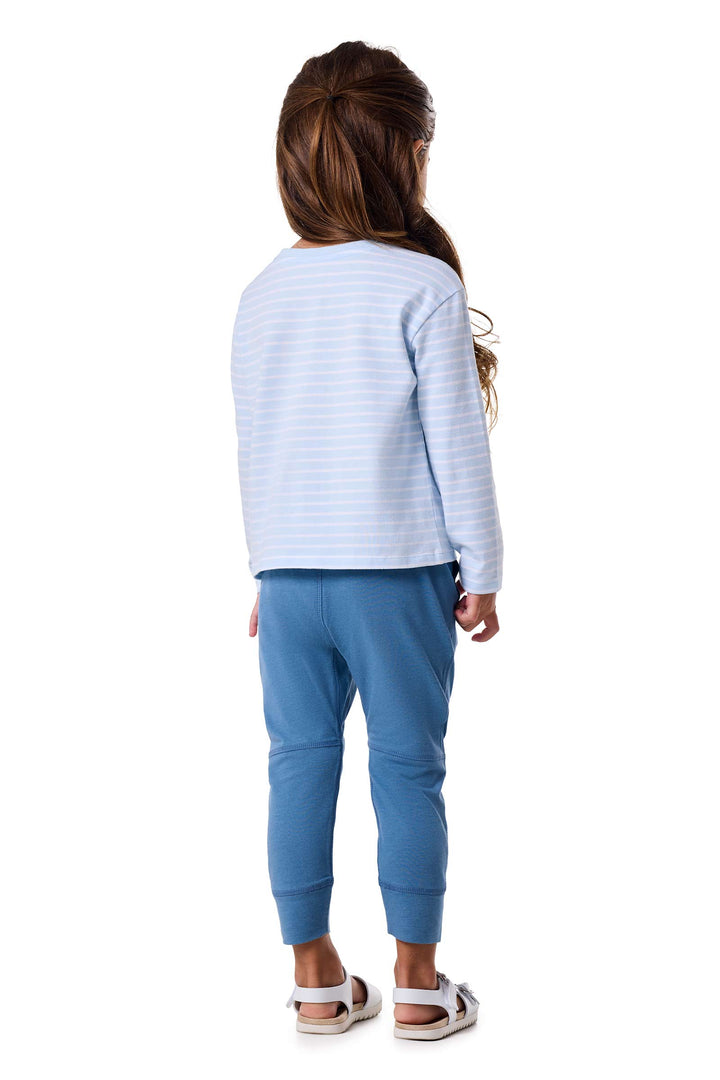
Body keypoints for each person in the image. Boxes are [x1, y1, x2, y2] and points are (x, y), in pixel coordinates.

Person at [230, 40, 503, 1041]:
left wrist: (270, 567)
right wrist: (484, 573)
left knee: (297, 762)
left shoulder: (261, 293)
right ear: (411, 155)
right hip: (397, 577)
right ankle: (418, 985)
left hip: (290, 579)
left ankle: (315, 980)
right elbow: (457, 451)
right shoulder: (421, 286)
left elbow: (262, 444)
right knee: (408, 769)